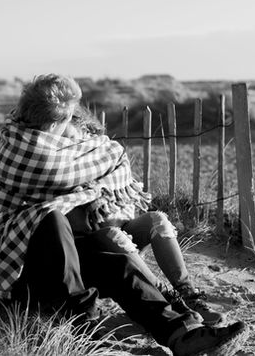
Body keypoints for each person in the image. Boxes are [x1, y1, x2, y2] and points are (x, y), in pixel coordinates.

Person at [0, 74, 249, 355]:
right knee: (49, 218)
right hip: (14, 266)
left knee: (117, 263)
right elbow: (62, 176)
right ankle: (81, 323)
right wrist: (89, 193)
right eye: (68, 118)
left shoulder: (45, 140)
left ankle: (182, 334)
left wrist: (89, 193)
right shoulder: (23, 150)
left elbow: (105, 158)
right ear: (54, 123)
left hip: (62, 262)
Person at [64, 104, 225, 325]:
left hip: (118, 236)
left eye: (76, 137)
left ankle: (188, 295)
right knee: (112, 233)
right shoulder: (57, 167)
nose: (72, 144)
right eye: (66, 138)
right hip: (89, 255)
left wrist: (107, 200)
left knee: (157, 220)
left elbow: (126, 199)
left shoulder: (99, 157)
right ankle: (172, 303)